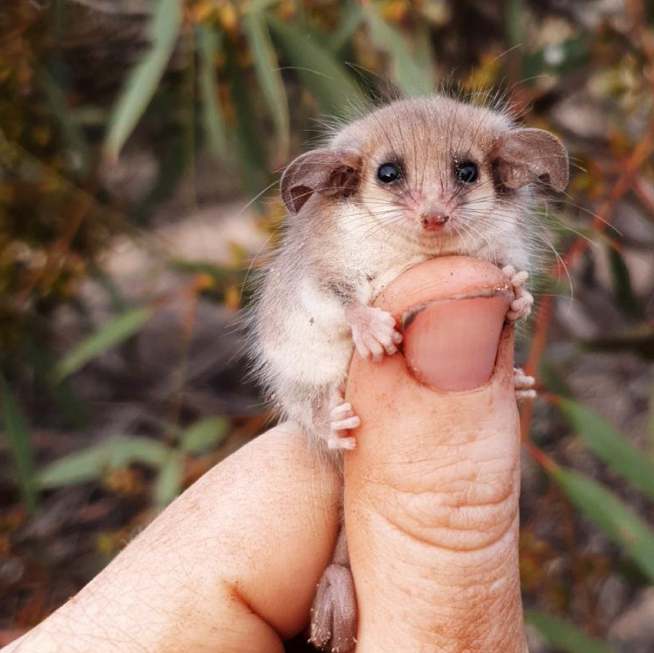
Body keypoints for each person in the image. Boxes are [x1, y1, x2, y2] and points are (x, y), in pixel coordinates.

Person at [3, 258, 527, 653]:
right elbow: (319, 285)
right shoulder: (337, 236)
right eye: (392, 177)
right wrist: (357, 316)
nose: (434, 210)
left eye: (464, 176)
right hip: (326, 394)